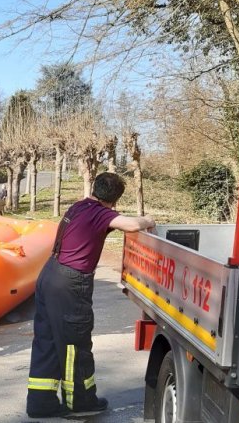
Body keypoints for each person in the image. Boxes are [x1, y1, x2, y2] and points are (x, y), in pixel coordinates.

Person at [26, 172, 156, 418]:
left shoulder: (79, 207)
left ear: (94, 189)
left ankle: (40, 402)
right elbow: (130, 225)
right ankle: (80, 402)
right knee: (75, 344)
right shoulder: (100, 213)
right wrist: (148, 219)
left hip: (50, 274)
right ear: (115, 200)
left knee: (47, 340)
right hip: (70, 283)